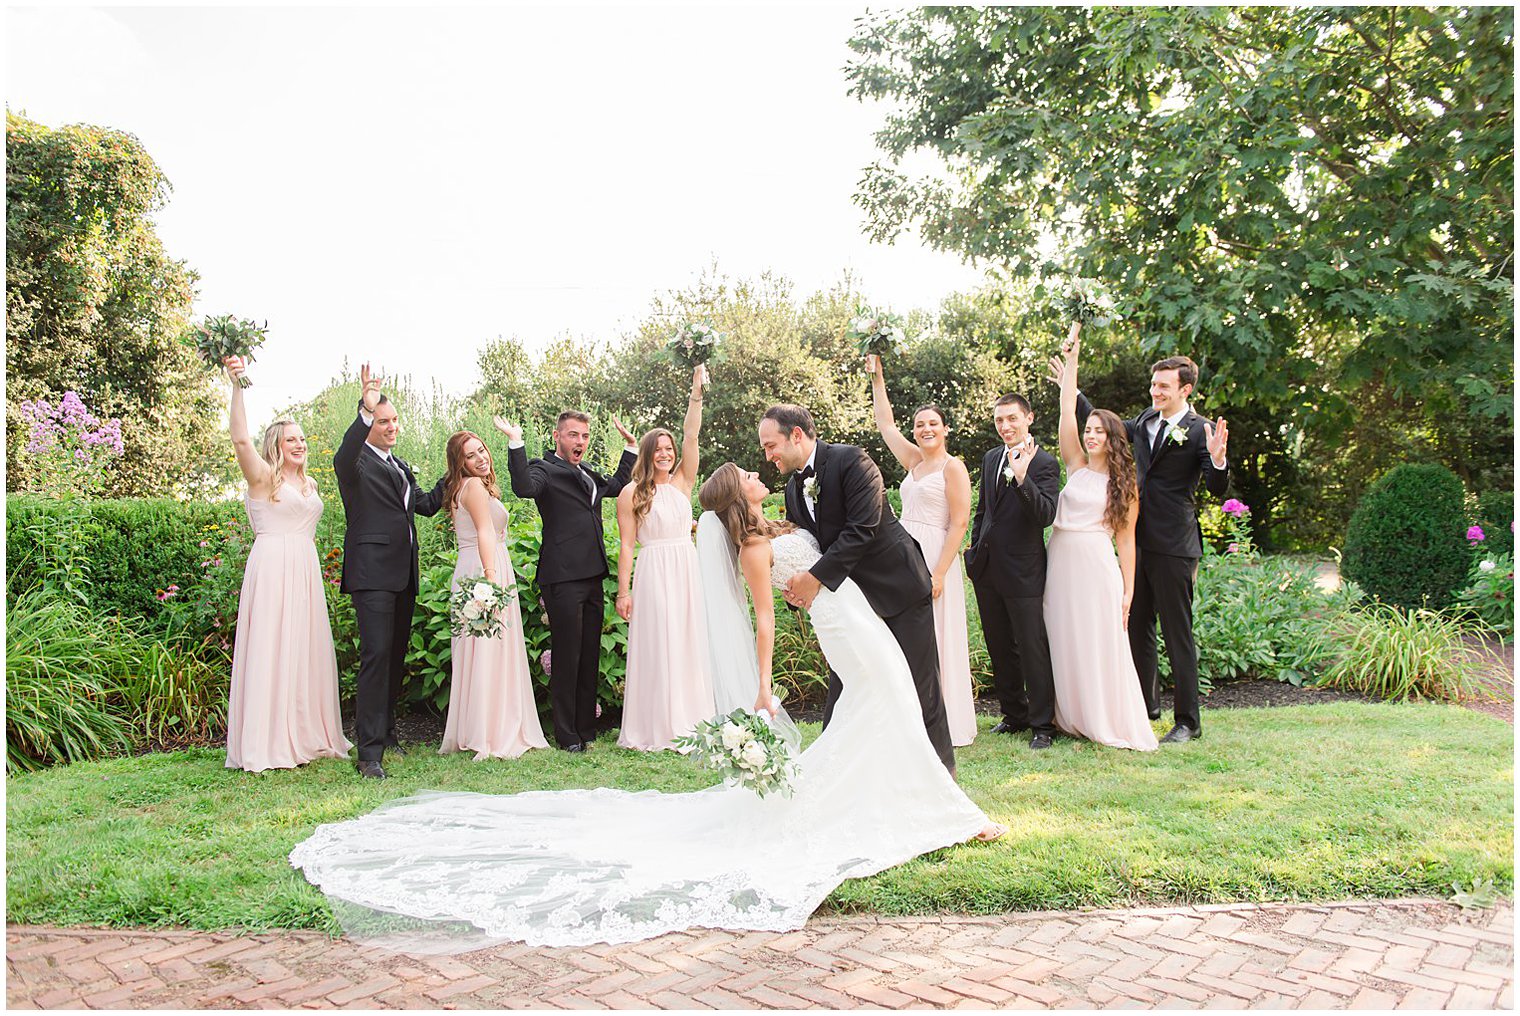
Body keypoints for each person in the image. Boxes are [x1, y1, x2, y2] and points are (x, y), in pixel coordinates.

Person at [288, 461, 1002, 951]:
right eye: (751, 475)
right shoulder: (753, 545)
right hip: (846, 630)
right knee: (891, 708)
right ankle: (938, 811)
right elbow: (763, 616)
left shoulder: (773, 525)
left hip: (858, 623)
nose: (759, 473)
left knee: (889, 711)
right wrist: (760, 685)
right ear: (736, 495)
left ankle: (916, 801)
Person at [760, 403, 955, 774]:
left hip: (899, 588)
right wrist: (797, 586)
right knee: (846, 686)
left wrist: (814, 577)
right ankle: (833, 778)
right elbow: (810, 545)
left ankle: (944, 780)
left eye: (771, 445)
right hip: (850, 602)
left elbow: (861, 529)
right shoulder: (791, 489)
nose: (768, 455)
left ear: (796, 435)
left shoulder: (853, 461)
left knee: (920, 685)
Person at [1053, 349, 1229, 743]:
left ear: (1185, 389)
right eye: (1153, 384)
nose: (1155, 391)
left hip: (1173, 543)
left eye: (1164, 386)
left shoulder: (1200, 431)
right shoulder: (1147, 420)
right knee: (1136, 626)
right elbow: (1106, 426)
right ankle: (1146, 706)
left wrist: (1217, 461)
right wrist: (1071, 389)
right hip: (1135, 538)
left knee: (1177, 631)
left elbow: (1217, 488)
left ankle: (1187, 721)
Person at [221, 356, 352, 772]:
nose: (300, 444)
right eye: (291, 439)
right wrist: (238, 385)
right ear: (276, 445)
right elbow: (240, 440)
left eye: (302, 439)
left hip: (305, 569)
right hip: (273, 568)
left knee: (303, 649)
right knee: (272, 646)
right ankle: (268, 739)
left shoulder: (309, 484)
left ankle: (306, 732)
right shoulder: (262, 477)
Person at [1045, 326, 1157, 751]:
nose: (1090, 435)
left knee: (1097, 638)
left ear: (1113, 439)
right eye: (1088, 429)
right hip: (1060, 559)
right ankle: (1069, 715)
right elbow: (1064, 413)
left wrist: (1128, 591)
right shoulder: (1075, 465)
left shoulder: (1123, 487)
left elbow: (1126, 543)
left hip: (1096, 565)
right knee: (1063, 632)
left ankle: (1103, 718)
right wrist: (1071, 361)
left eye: (1098, 431)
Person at [332, 364, 447, 780]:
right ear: (369, 425)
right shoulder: (356, 463)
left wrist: (456, 470)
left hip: (403, 575)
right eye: (383, 421)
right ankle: (368, 753)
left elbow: (426, 505)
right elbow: (342, 454)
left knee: (395, 656)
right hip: (372, 574)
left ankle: (388, 731)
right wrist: (364, 408)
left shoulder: (399, 466)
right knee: (376, 656)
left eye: (395, 420)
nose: (392, 426)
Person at [501, 410, 637, 751]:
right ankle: (566, 735)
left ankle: (585, 729)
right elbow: (523, 487)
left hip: (592, 574)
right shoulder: (545, 470)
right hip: (562, 576)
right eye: (573, 435)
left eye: (585, 436)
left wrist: (631, 448)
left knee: (589, 653)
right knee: (567, 654)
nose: (580, 442)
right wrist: (516, 443)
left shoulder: (587, 471)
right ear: (557, 436)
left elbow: (617, 486)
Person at [866, 354, 977, 747]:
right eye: (920, 425)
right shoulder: (913, 461)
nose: (925, 429)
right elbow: (884, 425)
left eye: (933, 424)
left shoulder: (953, 467)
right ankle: (908, 715)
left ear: (945, 429)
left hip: (935, 554)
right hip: (904, 553)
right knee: (903, 635)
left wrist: (941, 571)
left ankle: (946, 722)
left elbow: (959, 523)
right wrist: (878, 377)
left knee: (936, 635)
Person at [615, 366, 715, 751]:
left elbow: (692, 433)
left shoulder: (683, 483)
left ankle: (691, 719)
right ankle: (655, 723)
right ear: (647, 454)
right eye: (658, 449)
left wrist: (696, 392)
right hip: (654, 570)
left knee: (687, 639)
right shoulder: (631, 494)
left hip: (685, 567)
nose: (666, 454)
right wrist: (624, 592)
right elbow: (626, 546)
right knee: (659, 641)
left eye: (669, 449)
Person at [436, 428, 549, 760]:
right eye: (470, 455)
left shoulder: (473, 486)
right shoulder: (471, 486)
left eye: (482, 450)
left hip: (480, 564)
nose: (480, 458)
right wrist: (489, 579)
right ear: (460, 463)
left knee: (484, 650)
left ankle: (481, 727)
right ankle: (489, 732)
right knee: (486, 650)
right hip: (483, 568)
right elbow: (485, 531)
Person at [964, 393, 1061, 750]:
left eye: (1012, 419)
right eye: (999, 420)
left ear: (1029, 418)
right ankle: (1014, 714)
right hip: (987, 568)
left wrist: (1022, 480)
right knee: (999, 645)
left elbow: (1045, 516)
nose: (1005, 426)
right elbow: (983, 510)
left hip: (1024, 570)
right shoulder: (991, 458)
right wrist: (974, 551)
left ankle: (1042, 725)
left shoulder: (1045, 463)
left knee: (1031, 645)